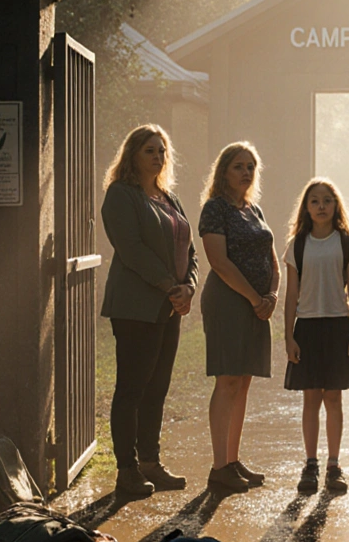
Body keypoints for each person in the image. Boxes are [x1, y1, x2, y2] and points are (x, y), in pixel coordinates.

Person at [100, 124, 198, 497]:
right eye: (149, 151)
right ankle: (126, 471)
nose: (157, 157)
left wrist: (189, 285)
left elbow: (190, 250)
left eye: (161, 151)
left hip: (169, 306)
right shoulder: (121, 195)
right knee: (132, 389)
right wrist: (169, 286)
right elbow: (131, 248)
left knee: (157, 388)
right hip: (136, 307)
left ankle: (150, 463)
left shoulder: (168, 197)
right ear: (133, 155)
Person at [199, 142, 279, 492]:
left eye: (250, 167)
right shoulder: (215, 208)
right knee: (228, 380)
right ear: (223, 171)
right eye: (238, 166)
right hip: (228, 302)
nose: (246, 172)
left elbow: (273, 258)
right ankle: (219, 468)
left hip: (258, 304)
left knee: (243, 382)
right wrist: (254, 298)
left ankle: (233, 460)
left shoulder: (253, 209)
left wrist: (272, 295)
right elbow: (219, 262)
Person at [283, 178, 349, 494]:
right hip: (307, 326)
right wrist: (288, 337)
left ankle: (333, 464)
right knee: (311, 398)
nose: (321, 206)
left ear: (336, 206)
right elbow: (291, 294)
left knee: (333, 398)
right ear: (306, 207)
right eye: (315, 201)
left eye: (327, 201)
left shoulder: (346, 243)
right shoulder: (297, 245)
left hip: (338, 325)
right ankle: (310, 464)